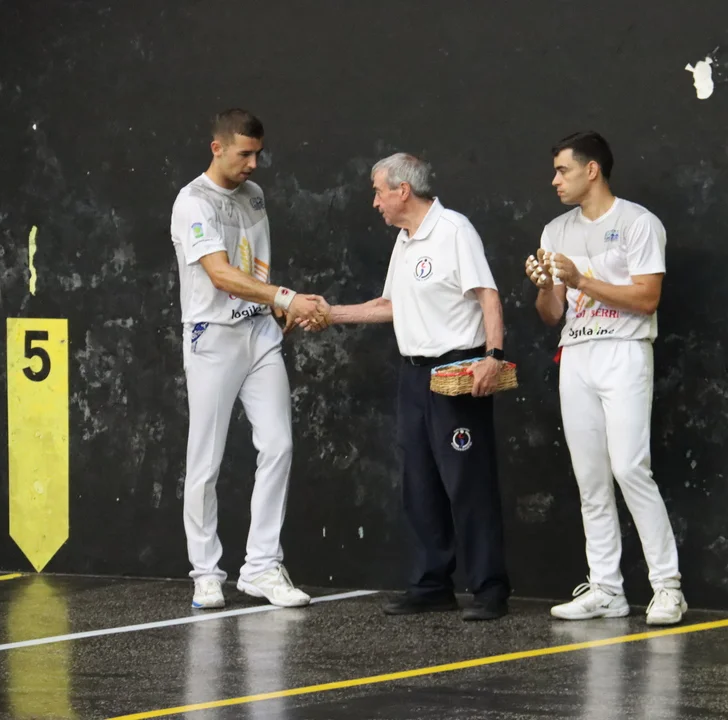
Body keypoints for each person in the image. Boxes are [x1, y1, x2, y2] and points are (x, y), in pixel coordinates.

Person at [306, 152, 512, 621]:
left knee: (468, 482)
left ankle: (490, 588)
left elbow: (488, 295)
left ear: (403, 190)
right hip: (415, 375)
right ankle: (431, 584)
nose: (375, 202)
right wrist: (329, 314)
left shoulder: (454, 230)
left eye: (379, 192)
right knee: (419, 482)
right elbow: (390, 305)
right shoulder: (404, 240)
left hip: (458, 370)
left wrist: (493, 356)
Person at [169, 108, 330, 609]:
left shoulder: (254, 194)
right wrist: (285, 297)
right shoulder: (192, 202)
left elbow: (251, 265)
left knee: (279, 445)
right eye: (244, 154)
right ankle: (205, 572)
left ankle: (261, 567)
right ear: (217, 148)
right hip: (212, 337)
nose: (254, 164)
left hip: (259, 333)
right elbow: (219, 273)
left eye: (258, 153)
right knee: (206, 459)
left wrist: (271, 304)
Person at [525, 131, 687, 625]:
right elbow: (552, 313)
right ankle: (606, 590)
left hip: (625, 352)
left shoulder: (638, 223)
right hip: (577, 355)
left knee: (631, 468)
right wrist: (547, 287)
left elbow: (647, 298)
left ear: (591, 170)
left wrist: (581, 279)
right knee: (590, 477)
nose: (555, 180)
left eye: (563, 171)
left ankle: (668, 588)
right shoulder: (555, 231)